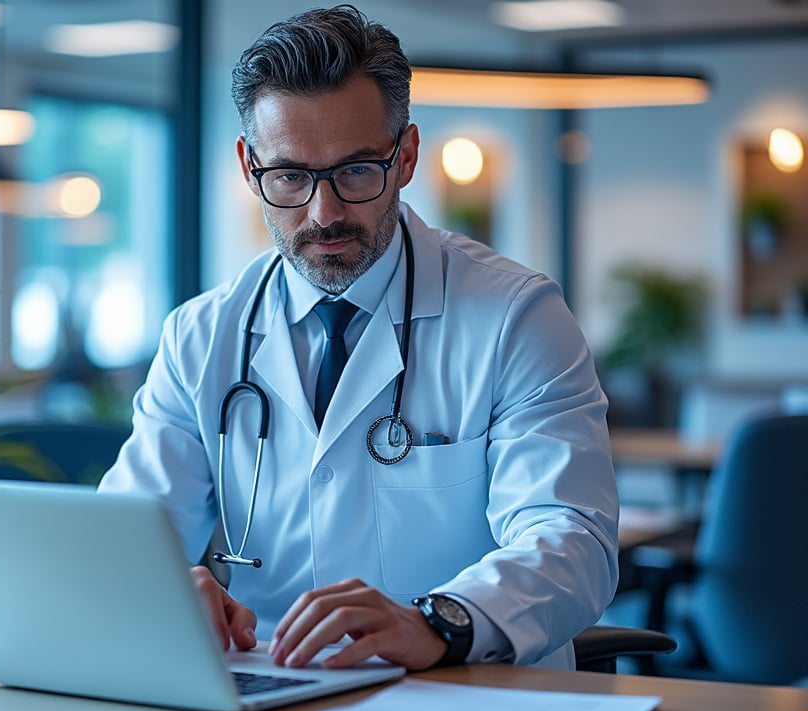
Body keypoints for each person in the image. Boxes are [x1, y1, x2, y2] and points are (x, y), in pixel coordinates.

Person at [99, 4, 618, 672]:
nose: (324, 213)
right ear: (247, 165)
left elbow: (572, 537)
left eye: (355, 171)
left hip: (467, 692)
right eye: (289, 176)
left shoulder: (516, 315)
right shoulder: (201, 336)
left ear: (405, 156)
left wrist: (443, 620)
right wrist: (161, 588)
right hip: (273, 691)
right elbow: (129, 535)